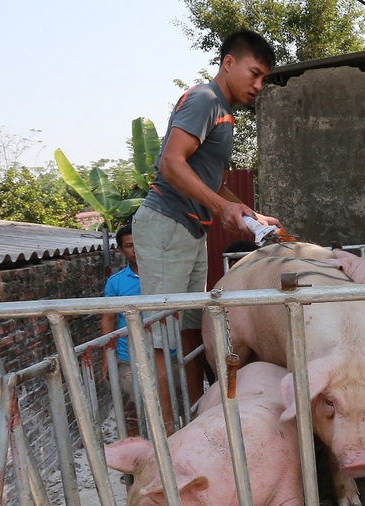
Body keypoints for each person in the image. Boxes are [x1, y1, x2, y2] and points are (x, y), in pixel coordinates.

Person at [132, 28, 282, 431]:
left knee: (190, 329)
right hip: (167, 224)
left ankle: (196, 418)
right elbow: (170, 163)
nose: (258, 85)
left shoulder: (223, 112)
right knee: (163, 334)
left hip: (188, 229)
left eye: (264, 78)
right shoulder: (204, 99)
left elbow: (207, 177)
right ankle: (166, 436)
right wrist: (221, 208)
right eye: (254, 74)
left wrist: (248, 212)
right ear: (228, 63)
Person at [101, 224, 142, 434]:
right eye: (129, 245)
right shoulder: (116, 283)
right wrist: (107, 357)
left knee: (171, 406)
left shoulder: (164, 277)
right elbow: (108, 318)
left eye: (139, 243)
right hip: (128, 356)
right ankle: (134, 459)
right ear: (121, 250)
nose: (135, 249)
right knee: (132, 410)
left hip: (166, 352)